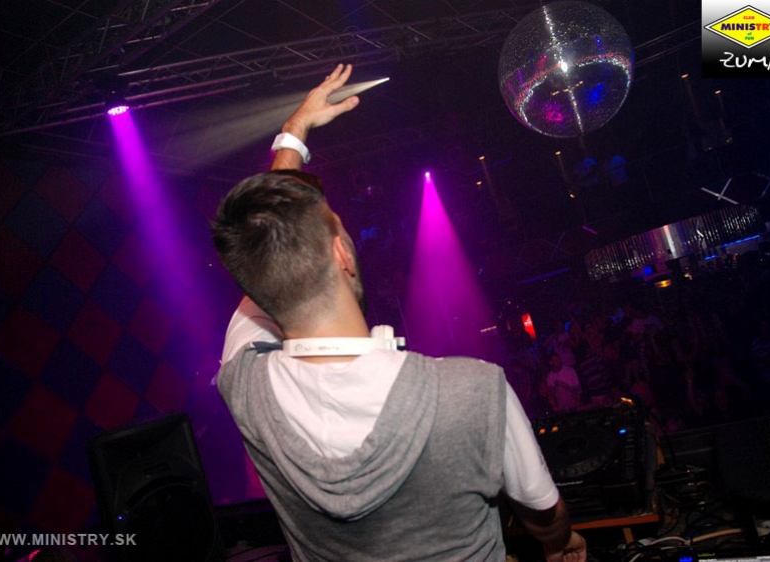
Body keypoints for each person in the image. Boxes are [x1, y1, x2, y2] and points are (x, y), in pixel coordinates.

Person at [213, 64, 587, 562]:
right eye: (338, 225)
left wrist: (294, 135)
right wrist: (563, 543)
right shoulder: (473, 392)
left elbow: (273, 243)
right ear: (342, 254)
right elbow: (544, 515)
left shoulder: (244, 386)